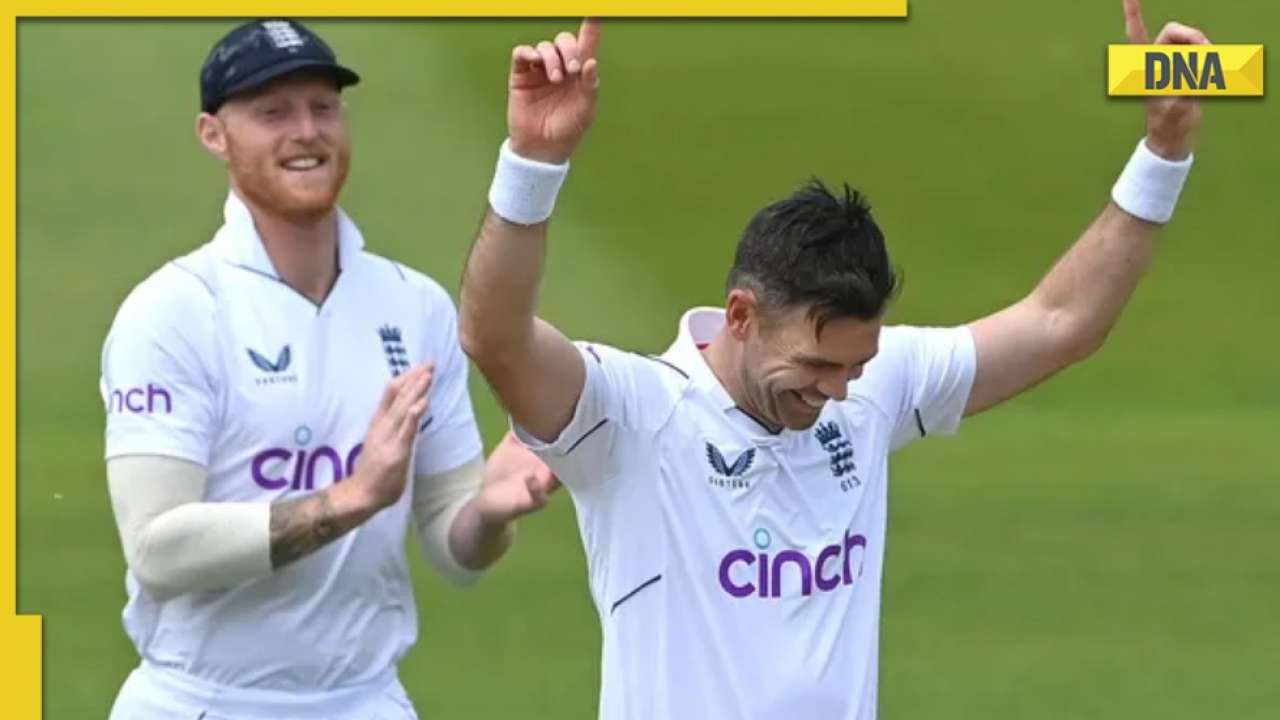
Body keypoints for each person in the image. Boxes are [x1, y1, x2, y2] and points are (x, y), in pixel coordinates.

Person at [459, 3, 1207, 718]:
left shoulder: (868, 389)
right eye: (817, 366)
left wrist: (1163, 154)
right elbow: (495, 337)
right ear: (742, 315)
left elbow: (1061, 322)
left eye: (856, 366)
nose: (838, 392)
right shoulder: (631, 415)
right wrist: (532, 164)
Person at [100, 19, 557, 719]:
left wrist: (489, 513)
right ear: (213, 134)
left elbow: (453, 549)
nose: (306, 130)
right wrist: (349, 498)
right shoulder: (174, 311)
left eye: (323, 105)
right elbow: (158, 548)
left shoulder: (411, 305)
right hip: (200, 702)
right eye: (272, 112)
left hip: (364, 701)